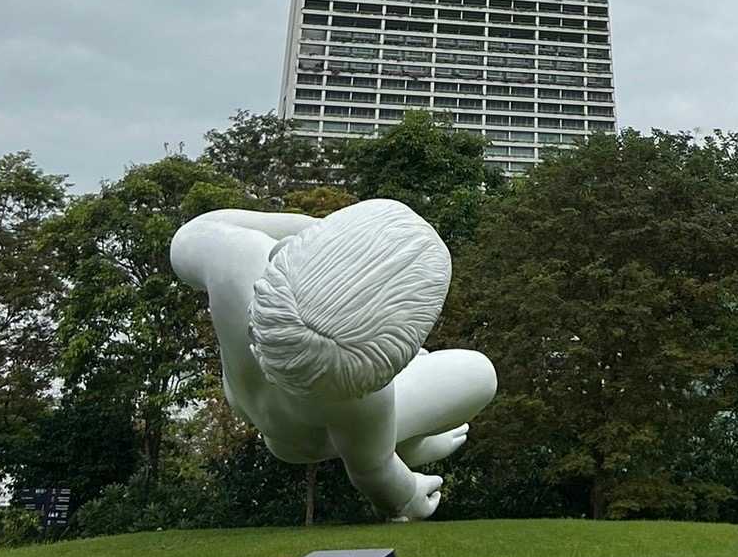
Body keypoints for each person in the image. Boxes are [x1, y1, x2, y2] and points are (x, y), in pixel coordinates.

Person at [171, 198, 497, 522]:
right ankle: (409, 442)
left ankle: (403, 439)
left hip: (260, 412)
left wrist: (318, 233)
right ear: (388, 371)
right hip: (310, 441)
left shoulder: (233, 259)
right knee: (479, 374)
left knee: (368, 432)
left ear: (283, 251)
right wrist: (410, 496)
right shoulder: (362, 400)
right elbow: (373, 471)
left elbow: (190, 233)